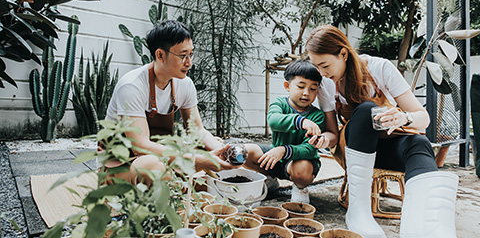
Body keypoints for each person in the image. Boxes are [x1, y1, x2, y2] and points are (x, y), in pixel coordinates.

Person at [305, 25, 459, 238]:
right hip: (354, 149)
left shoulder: (380, 68)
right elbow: (332, 135)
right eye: (316, 67)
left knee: (419, 143)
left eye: (324, 65)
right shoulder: (326, 85)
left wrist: (404, 117)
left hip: (387, 147)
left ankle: (425, 227)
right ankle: (358, 211)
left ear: (343, 53)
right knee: (366, 110)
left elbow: (423, 119)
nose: (321, 73)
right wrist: (323, 139)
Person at [105, 20, 234, 186]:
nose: (189, 62)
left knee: (207, 150)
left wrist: (221, 150)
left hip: (160, 155)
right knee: (155, 167)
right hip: (121, 162)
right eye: (182, 56)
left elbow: (197, 131)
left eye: (191, 54)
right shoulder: (132, 86)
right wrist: (195, 160)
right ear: (160, 55)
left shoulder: (185, 84)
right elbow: (140, 146)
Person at [244, 59, 338, 203]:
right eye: (301, 86)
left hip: (299, 162)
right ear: (287, 86)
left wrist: (285, 150)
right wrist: (300, 122)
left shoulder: (317, 116)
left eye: (313, 89)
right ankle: (270, 180)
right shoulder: (279, 103)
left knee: (303, 169)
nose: (306, 93)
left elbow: (309, 148)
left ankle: (300, 188)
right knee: (245, 152)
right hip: (276, 158)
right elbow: (273, 120)